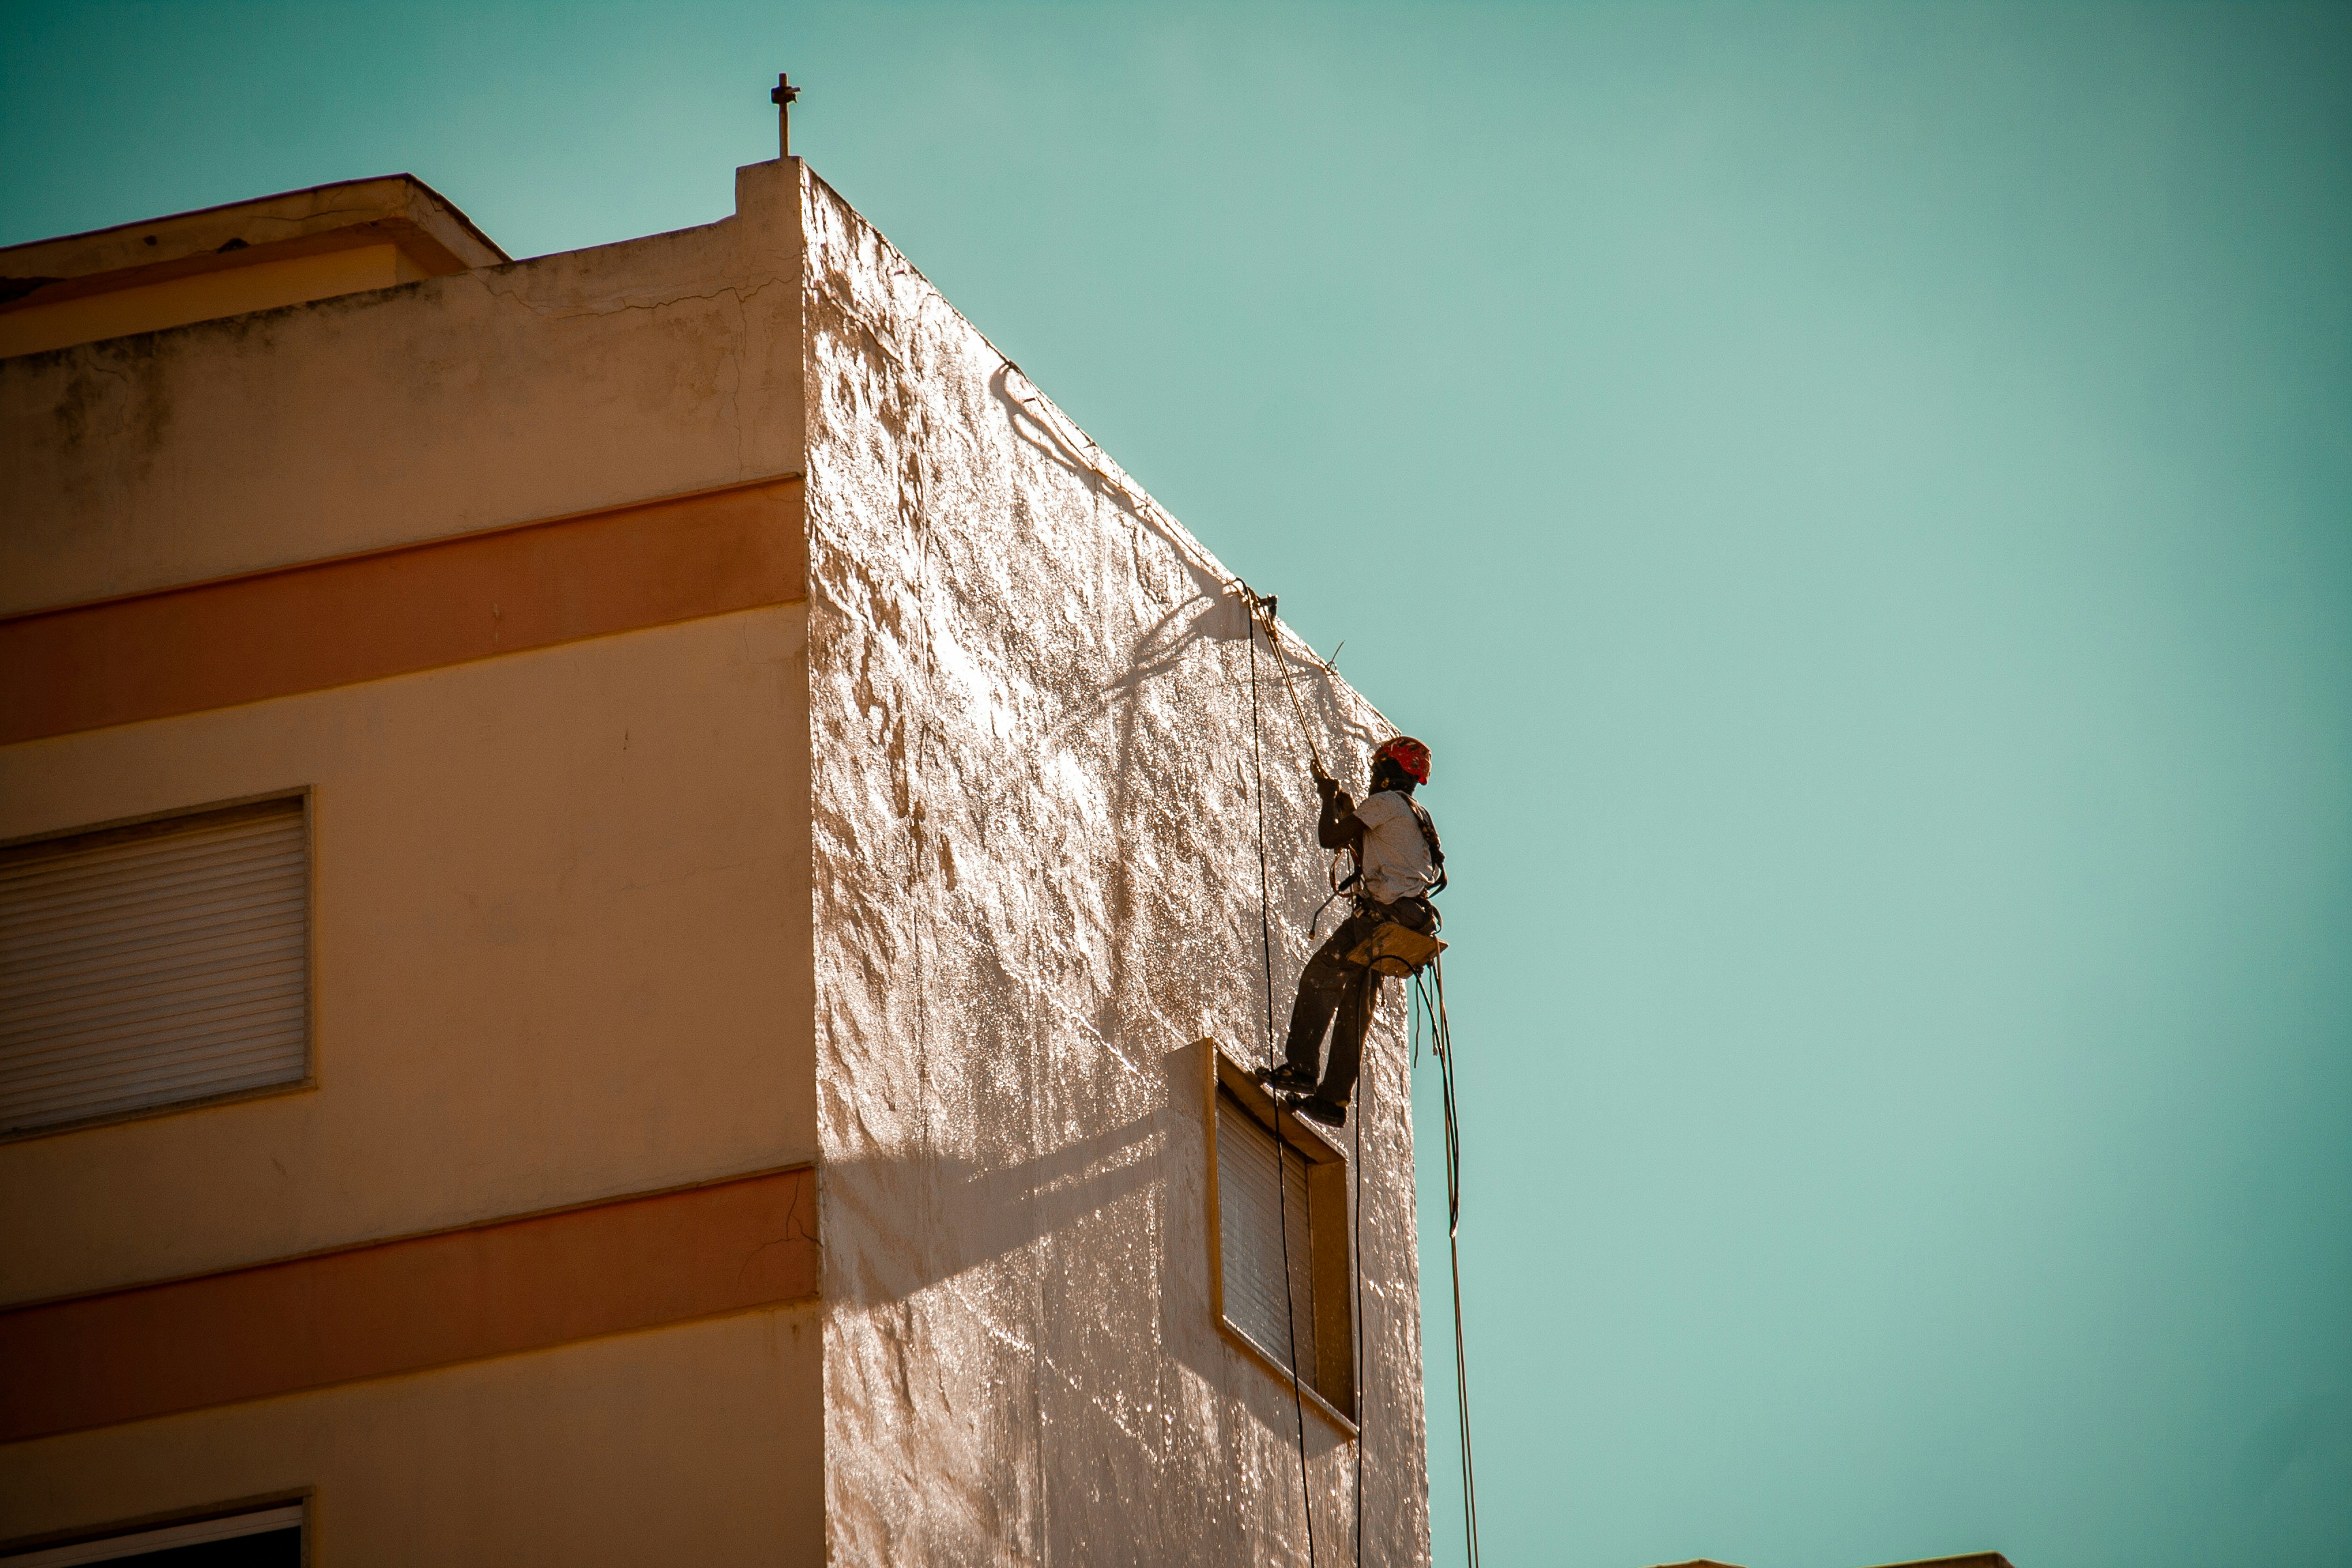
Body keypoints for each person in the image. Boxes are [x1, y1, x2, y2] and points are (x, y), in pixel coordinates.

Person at [1259, 735, 1443, 1127]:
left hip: (1380, 916)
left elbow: (1331, 839)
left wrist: (1327, 798)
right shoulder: (1415, 813)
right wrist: (1347, 808)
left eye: (1378, 766)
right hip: (1408, 923)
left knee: (1319, 978)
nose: (1372, 772)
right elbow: (1371, 849)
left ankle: (1302, 1069)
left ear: (1387, 769)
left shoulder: (1385, 803)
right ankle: (1332, 1101)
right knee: (1354, 1011)